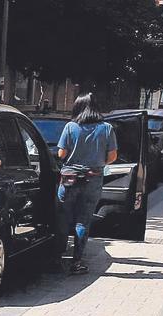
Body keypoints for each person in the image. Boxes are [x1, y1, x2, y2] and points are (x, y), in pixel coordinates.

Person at [57, 93, 117, 275]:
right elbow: (112, 156)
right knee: (83, 220)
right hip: (93, 178)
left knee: (62, 218)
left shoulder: (70, 127)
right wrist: (97, 162)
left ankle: (56, 258)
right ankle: (77, 262)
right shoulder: (107, 128)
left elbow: (61, 154)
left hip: (69, 179)